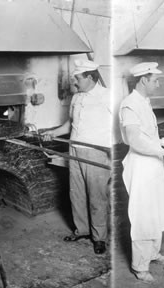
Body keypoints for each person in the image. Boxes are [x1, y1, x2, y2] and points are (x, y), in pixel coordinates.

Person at [42, 59, 111, 255]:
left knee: (97, 196)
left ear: (90, 77)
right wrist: (53, 133)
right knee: (77, 193)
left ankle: (99, 238)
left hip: (96, 152)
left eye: (78, 78)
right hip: (74, 149)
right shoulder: (76, 98)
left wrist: (111, 149)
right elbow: (69, 125)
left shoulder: (107, 97)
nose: (75, 82)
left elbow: (117, 127)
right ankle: (82, 230)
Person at [119, 62, 164, 282]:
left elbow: (145, 135)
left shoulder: (144, 102)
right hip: (141, 166)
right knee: (143, 216)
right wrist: (163, 152)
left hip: (152, 164)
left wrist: (161, 142)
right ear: (144, 80)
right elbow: (134, 140)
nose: (158, 84)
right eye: (155, 80)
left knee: (155, 212)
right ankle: (139, 266)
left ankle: (153, 253)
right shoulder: (130, 105)